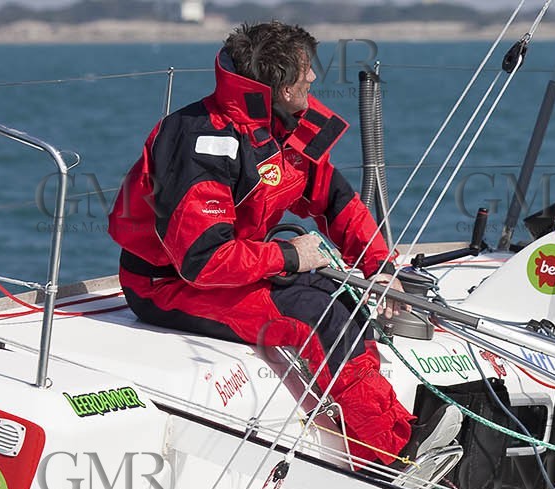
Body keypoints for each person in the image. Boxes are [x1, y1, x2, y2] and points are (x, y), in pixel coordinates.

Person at [108, 21, 414, 466]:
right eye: (306, 70)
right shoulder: (199, 142)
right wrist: (291, 256)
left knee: (340, 301)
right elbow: (203, 260)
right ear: (283, 87)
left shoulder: (284, 125)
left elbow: (334, 198)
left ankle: (399, 430)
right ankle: (393, 455)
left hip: (240, 267)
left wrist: (380, 268)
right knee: (319, 317)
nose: (314, 77)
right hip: (166, 285)